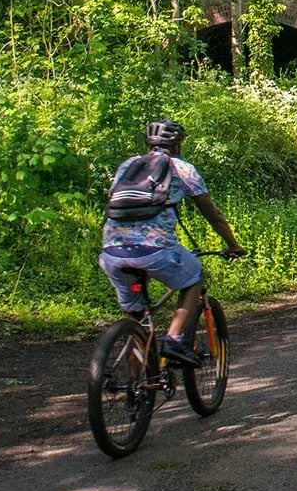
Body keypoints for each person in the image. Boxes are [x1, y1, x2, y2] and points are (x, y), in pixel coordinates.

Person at [99, 120, 244, 366]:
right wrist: (233, 244)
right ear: (176, 144)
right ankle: (174, 339)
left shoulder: (128, 165)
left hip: (111, 251)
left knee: (138, 321)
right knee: (194, 277)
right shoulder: (183, 169)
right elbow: (213, 216)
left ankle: (140, 394)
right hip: (154, 250)